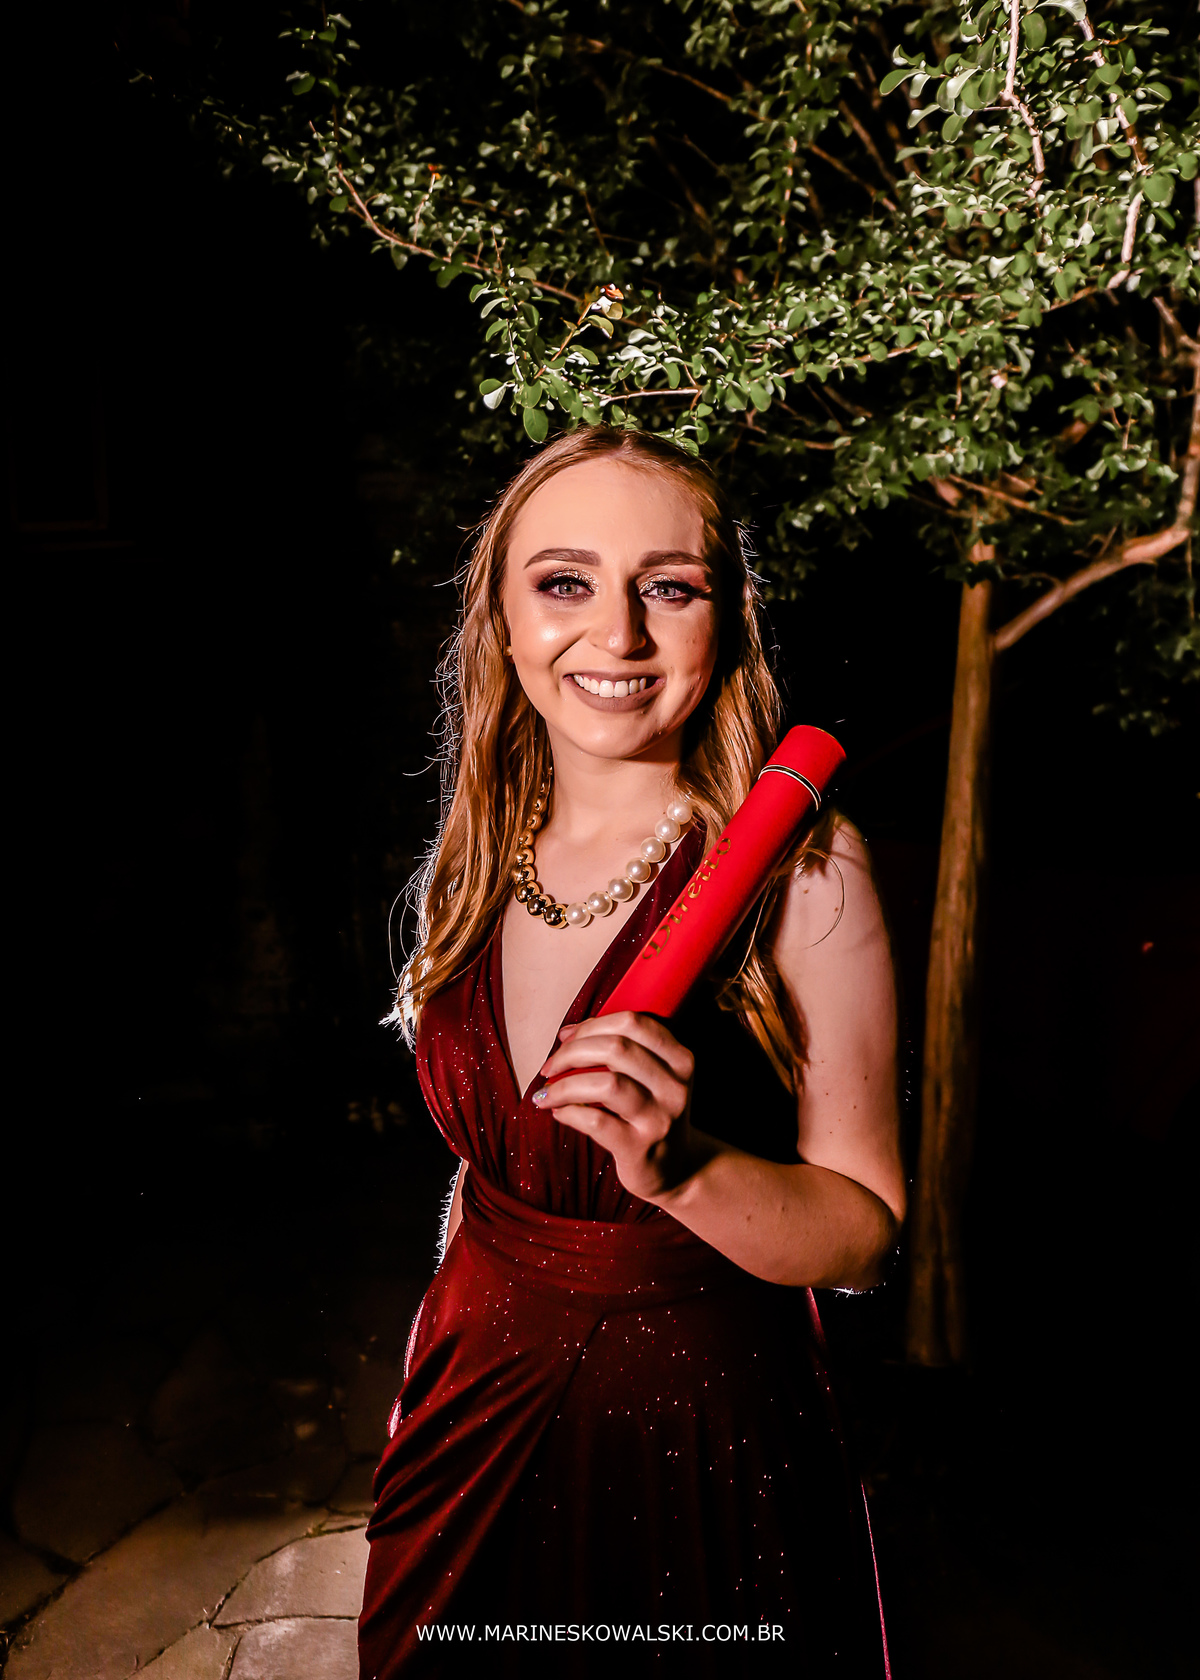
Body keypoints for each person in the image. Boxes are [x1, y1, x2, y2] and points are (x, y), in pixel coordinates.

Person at [359, 425, 905, 1679]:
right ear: (502, 622)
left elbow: (866, 1232)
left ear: (726, 622)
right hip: (467, 1416)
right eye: (565, 582)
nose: (617, 634)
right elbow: (483, 1182)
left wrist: (685, 1169)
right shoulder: (478, 852)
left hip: (700, 1444)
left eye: (669, 587)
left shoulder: (808, 872)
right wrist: (433, 1351)